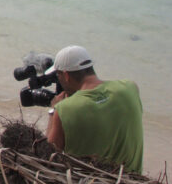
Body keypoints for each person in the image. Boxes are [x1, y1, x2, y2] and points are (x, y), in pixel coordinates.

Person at [45, 45, 144, 173]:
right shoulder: (130, 88)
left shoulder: (64, 109)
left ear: (66, 75)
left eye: (58, 76)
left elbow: (47, 156)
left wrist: (53, 110)